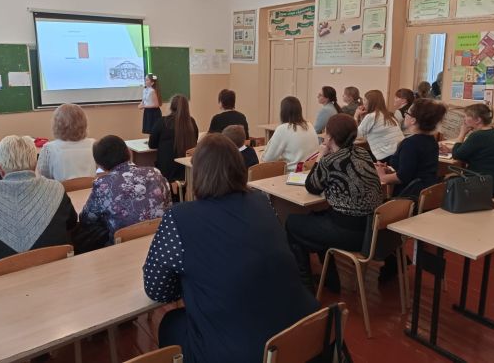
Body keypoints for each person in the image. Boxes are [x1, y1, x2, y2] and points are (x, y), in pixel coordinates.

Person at [143, 134, 320, 363]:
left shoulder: (178, 217)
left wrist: (192, 283)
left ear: (198, 174)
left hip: (244, 350)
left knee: (170, 323)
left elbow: (157, 290)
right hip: (305, 335)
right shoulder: (263, 202)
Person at [286, 114, 383, 292]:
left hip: (349, 233)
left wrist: (320, 157)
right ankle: (330, 280)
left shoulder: (330, 161)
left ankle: (305, 284)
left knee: (292, 223)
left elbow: (312, 186)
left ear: (329, 137)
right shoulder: (363, 153)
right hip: (371, 230)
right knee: (315, 218)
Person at [0, 135, 77, 266]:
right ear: (35, 165)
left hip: (1, 277)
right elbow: (72, 223)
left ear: (0, 169)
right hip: (57, 272)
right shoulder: (56, 188)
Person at [79, 135, 172, 245]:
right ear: (128, 152)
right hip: (160, 238)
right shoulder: (154, 172)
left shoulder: (102, 185)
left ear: (100, 165)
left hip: (123, 244)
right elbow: (168, 204)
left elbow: (86, 218)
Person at [376, 99, 447, 198]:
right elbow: (416, 169)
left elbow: (402, 177)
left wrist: (382, 176)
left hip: (409, 197)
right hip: (427, 193)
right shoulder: (431, 140)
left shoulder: (410, 144)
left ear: (413, 120)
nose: (405, 115)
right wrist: (390, 170)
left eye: (407, 113)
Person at [440, 104, 494, 197]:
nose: (464, 119)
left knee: (447, 182)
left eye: (466, 116)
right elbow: (476, 153)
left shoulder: (478, 135)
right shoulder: (492, 131)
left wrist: (462, 133)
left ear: (478, 120)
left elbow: (457, 155)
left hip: (487, 184)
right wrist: (450, 150)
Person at [36, 103, 96, 182]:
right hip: (89, 188)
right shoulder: (93, 144)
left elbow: (43, 176)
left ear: (57, 124)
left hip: (60, 189)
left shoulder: (49, 148)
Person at [149, 94, 198, 182]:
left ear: (171, 107)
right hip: (187, 172)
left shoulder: (162, 122)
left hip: (167, 174)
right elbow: (195, 141)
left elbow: (152, 144)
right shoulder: (191, 122)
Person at [261, 96, 319, 172]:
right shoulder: (309, 125)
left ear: (283, 112)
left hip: (293, 174)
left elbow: (267, 159)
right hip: (311, 172)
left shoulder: (283, 129)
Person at [355, 90, 404, 162]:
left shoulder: (372, 116)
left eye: (364, 100)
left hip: (386, 155)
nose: (363, 103)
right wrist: (362, 117)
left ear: (370, 102)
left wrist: (356, 116)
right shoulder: (389, 115)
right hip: (399, 152)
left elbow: (356, 134)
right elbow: (365, 133)